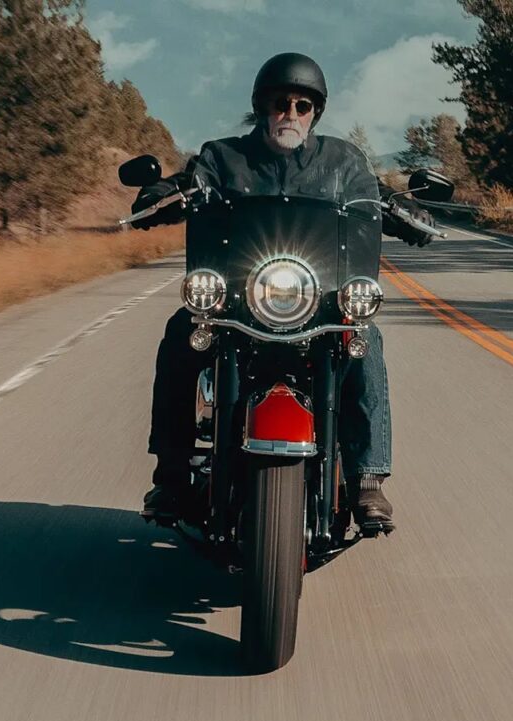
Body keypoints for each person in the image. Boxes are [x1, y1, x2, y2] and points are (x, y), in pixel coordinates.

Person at [134, 53, 425, 533]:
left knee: (366, 341)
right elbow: (192, 185)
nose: (290, 113)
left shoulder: (344, 162)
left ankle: (367, 477)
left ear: (316, 113)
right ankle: (170, 474)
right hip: (237, 302)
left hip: (320, 302)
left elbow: (376, 195)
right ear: (261, 107)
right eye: (280, 102)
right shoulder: (222, 157)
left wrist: (406, 213)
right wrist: (161, 195)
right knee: (180, 334)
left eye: (302, 105)